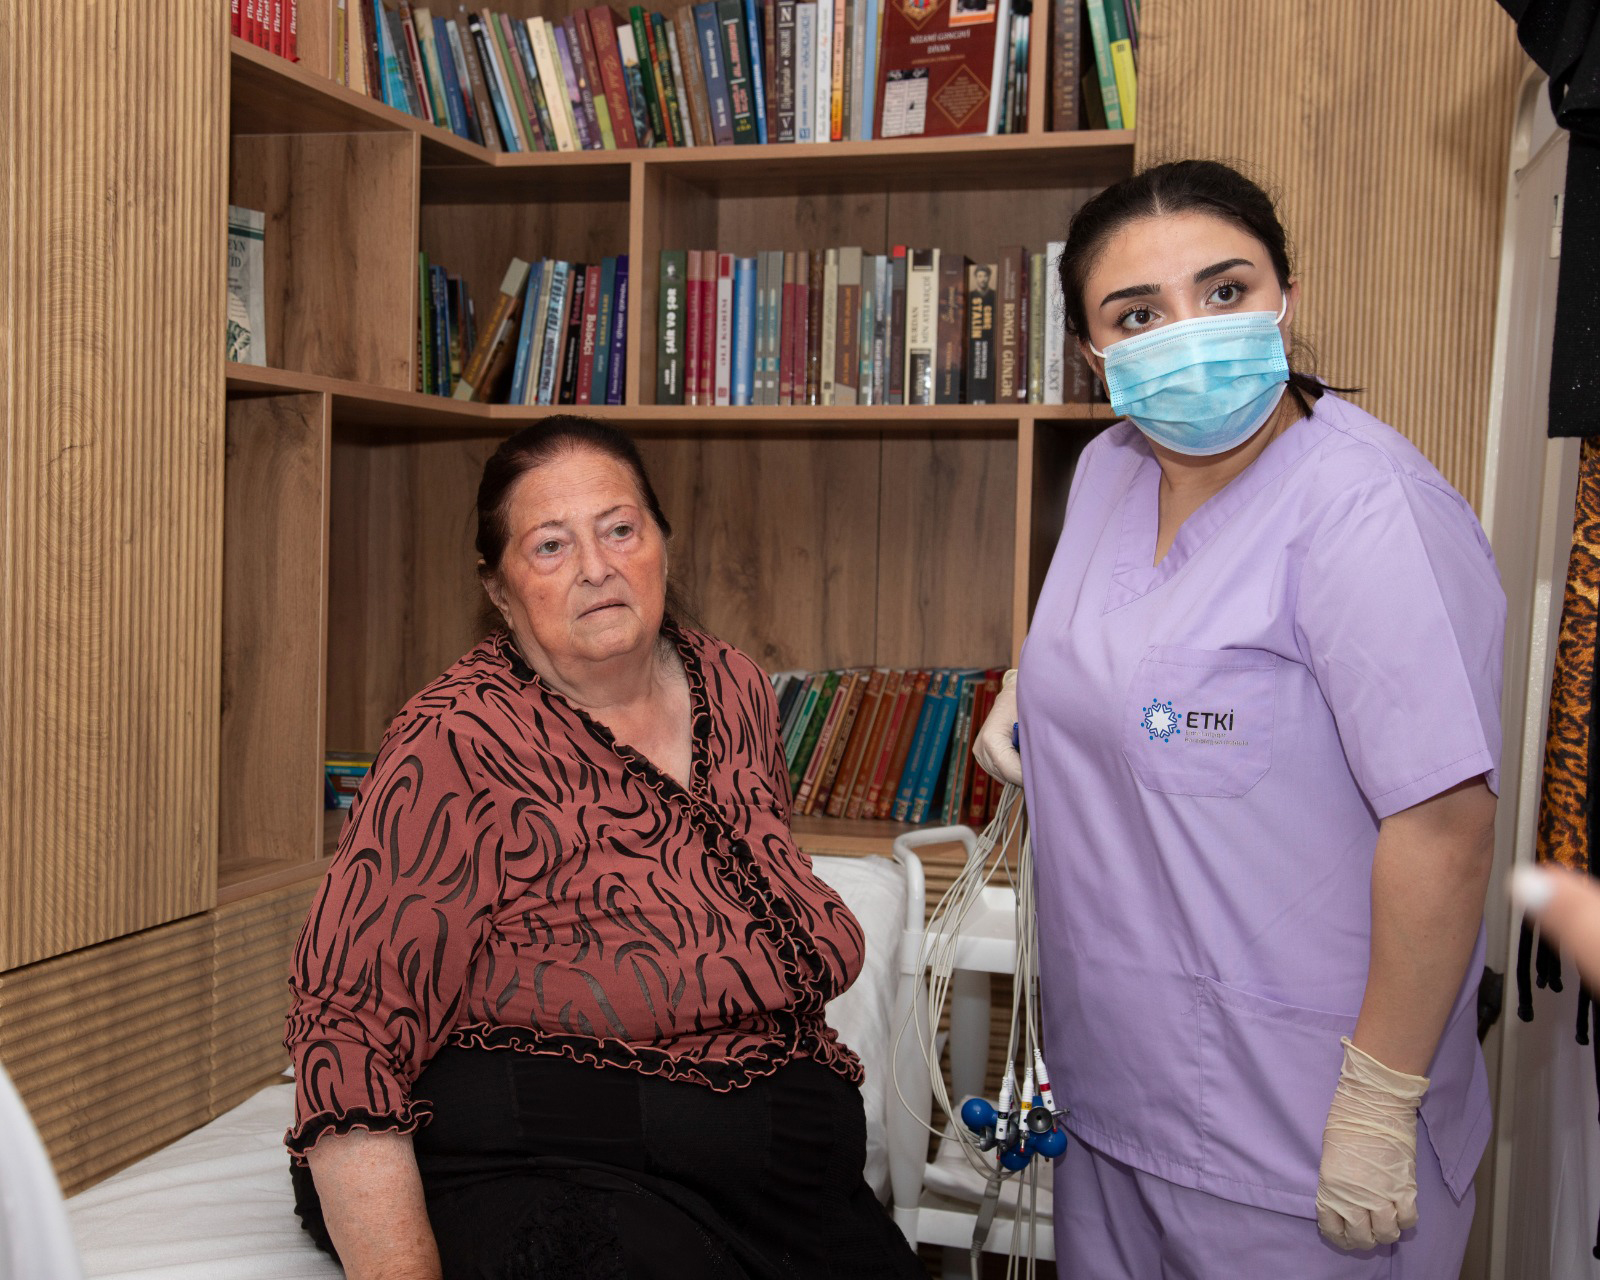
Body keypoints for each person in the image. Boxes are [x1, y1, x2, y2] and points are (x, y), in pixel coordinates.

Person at [974, 160, 1503, 1277]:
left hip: (1301, 1139)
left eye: (1223, 291)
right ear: (1092, 354)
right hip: (1115, 1098)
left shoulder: (1367, 511)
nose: (1190, 333)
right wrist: (1039, 690)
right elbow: (1121, 642)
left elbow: (1446, 826)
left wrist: (1374, 1105)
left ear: (1285, 299)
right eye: (1138, 313)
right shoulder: (1114, 469)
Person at [284, 416, 926, 1280]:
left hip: (773, 1176)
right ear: (500, 590)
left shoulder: (731, 684)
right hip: (538, 1164)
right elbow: (349, 1021)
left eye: (620, 529)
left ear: (662, 541)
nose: (596, 567)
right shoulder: (458, 737)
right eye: (549, 547)